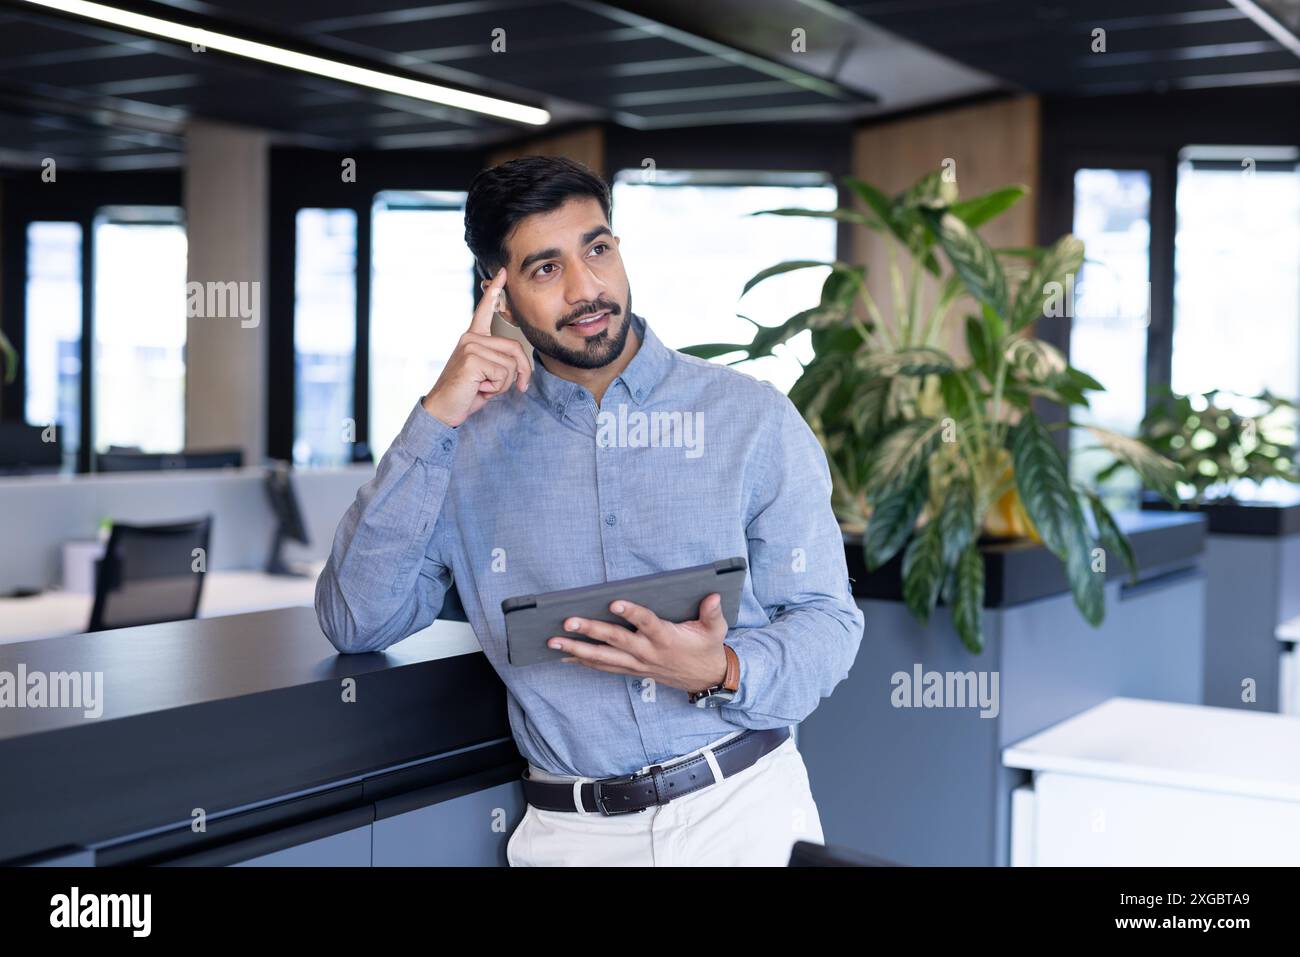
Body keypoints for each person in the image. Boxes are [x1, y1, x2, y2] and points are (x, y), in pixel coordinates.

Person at [315, 154, 865, 865]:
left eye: (597, 248)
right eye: (546, 268)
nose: (587, 287)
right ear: (500, 295)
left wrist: (722, 667)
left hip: (744, 813)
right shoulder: (463, 449)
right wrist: (435, 417)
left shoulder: (749, 418)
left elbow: (828, 619)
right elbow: (357, 620)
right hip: (572, 837)